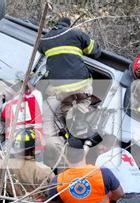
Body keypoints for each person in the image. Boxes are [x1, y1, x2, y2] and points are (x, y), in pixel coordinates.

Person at [40, 17, 102, 170]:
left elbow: (42, 52)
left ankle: (72, 124)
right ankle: (80, 121)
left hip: (60, 89)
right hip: (80, 84)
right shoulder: (76, 34)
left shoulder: (45, 40)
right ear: (68, 26)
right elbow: (95, 52)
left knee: (66, 108)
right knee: (83, 102)